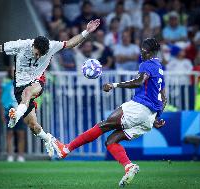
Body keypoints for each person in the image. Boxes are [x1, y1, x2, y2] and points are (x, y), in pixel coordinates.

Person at [0, 19, 101, 156]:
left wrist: (86, 32)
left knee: (28, 92)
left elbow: (70, 43)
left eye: (42, 54)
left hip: (37, 82)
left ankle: (16, 115)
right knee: (34, 126)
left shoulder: (51, 45)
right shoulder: (20, 45)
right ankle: (50, 140)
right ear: (33, 45)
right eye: (37, 53)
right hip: (19, 87)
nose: (38, 56)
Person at [51, 38, 166, 187]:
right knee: (111, 141)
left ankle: (65, 149)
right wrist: (157, 117)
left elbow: (138, 82)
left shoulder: (147, 64)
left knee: (103, 125)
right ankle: (129, 166)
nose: (141, 53)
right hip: (149, 117)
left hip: (139, 107)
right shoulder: (159, 67)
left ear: (150, 52)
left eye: (143, 51)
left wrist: (114, 84)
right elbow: (164, 97)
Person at [1, 67, 26, 162]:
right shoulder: (6, 85)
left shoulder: (24, 85)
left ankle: (21, 156)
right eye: (13, 71)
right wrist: (2, 113)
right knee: (9, 133)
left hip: (20, 111)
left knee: (21, 134)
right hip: (9, 111)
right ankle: (10, 155)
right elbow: (2, 101)